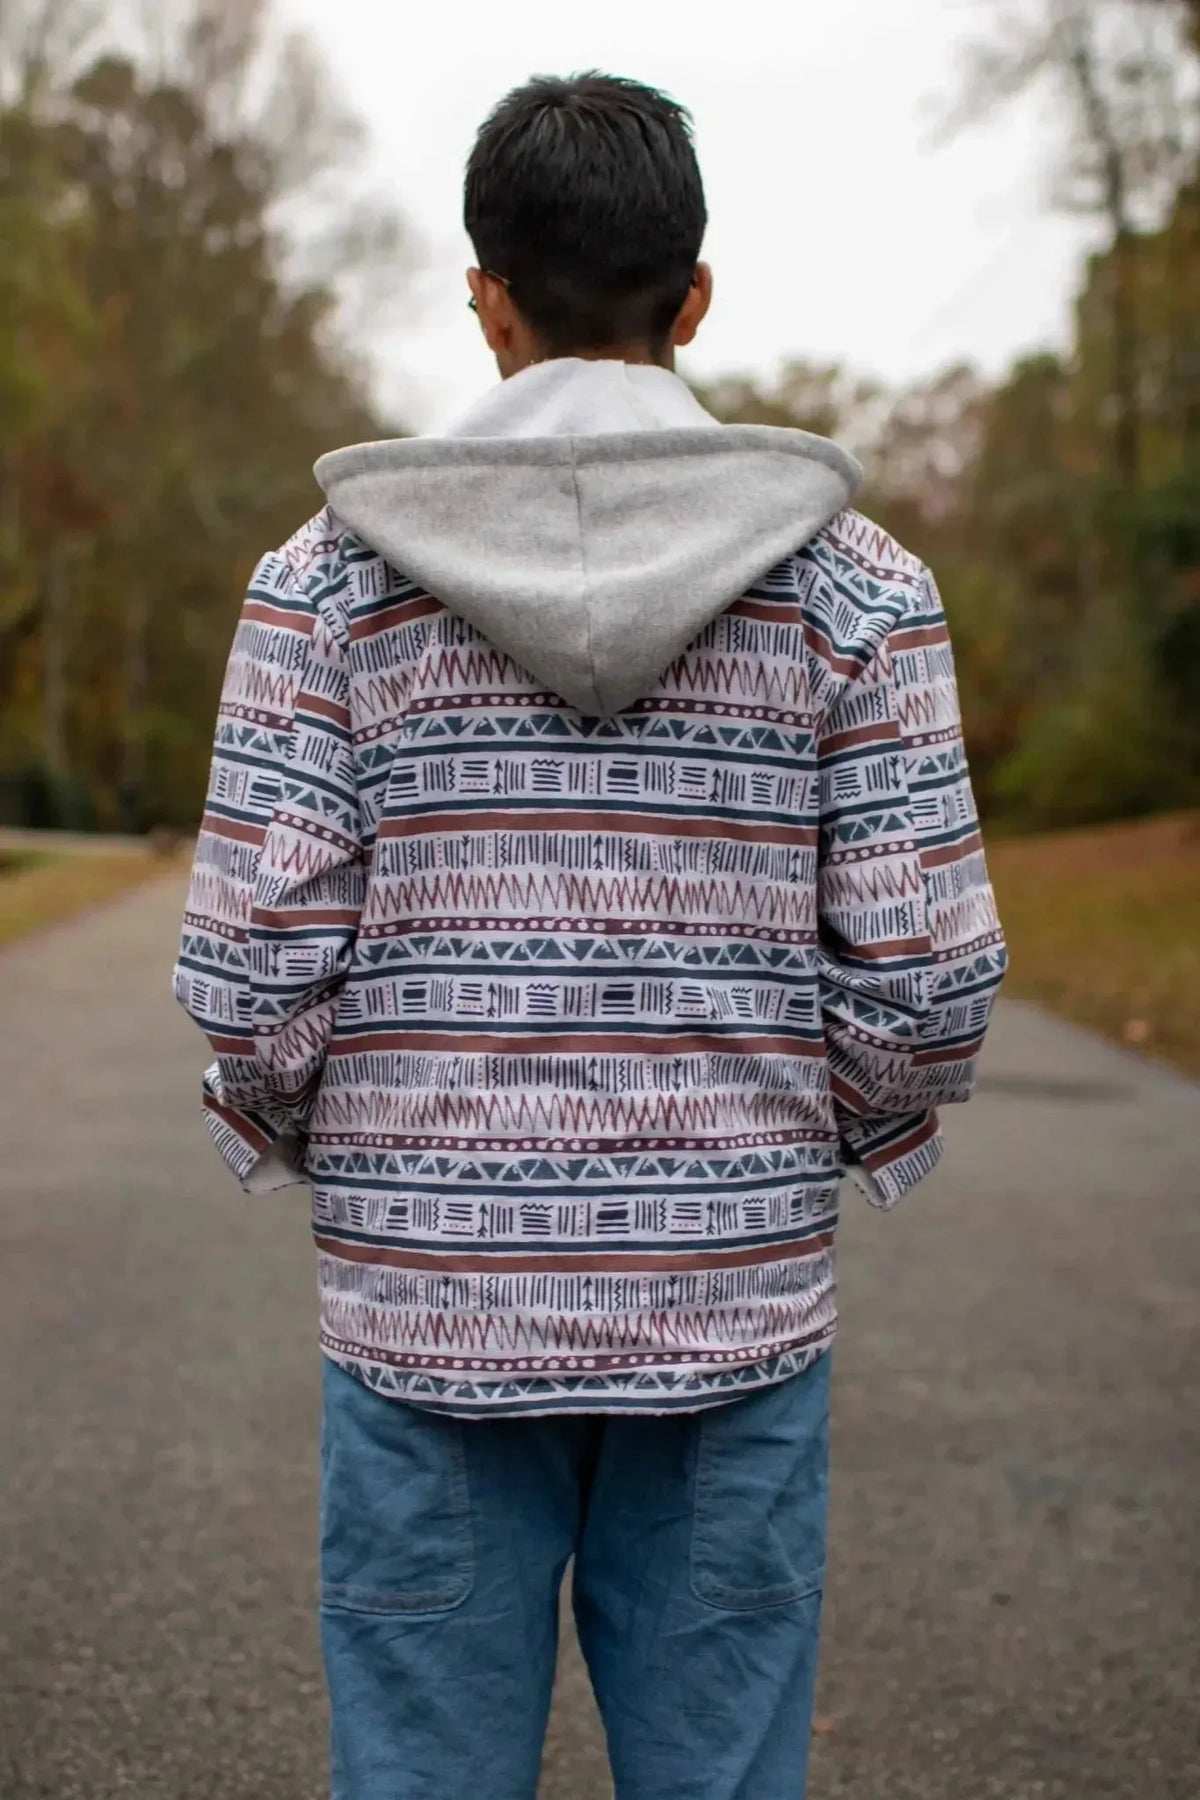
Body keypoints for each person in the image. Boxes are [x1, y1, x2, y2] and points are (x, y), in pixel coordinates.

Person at [175, 71, 1007, 1800]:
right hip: (734, 1305)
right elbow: (927, 985)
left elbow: (255, 976)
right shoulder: (859, 593)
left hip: (427, 1311)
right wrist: (797, 1131)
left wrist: (362, 1138)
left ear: (485, 293)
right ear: (694, 298)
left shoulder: (323, 588)